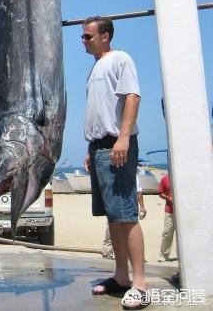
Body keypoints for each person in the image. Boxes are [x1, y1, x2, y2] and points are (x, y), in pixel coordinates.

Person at [81, 16, 149, 310]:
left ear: (105, 36)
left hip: (116, 145)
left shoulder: (121, 59)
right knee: (113, 216)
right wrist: (90, 147)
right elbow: (99, 110)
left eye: (88, 36)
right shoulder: (96, 66)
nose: (83, 40)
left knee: (126, 214)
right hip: (99, 148)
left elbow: (133, 97)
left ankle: (141, 285)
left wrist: (122, 138)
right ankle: (121, 278)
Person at [102, 174, 147, 260]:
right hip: (115, 206)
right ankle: (107, 253)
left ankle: (131, 255)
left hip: (129, 207)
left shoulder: (133, 174)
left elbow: (138, 191)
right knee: (111, 232)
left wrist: (142, 207)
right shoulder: (111, 173)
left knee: (129, 231)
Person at [157, 173, 175, 262]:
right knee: (167, 233)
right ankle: (164, 255)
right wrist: (168, 197)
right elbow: (160, 193)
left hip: (183, 211)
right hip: (170, 211)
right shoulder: (165, 178)